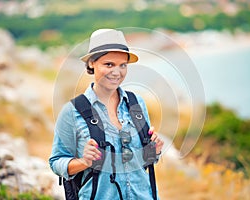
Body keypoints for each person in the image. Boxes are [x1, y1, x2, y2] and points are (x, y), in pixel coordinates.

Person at [49, 28, 164, 200]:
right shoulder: (72, 111)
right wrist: (84, 162)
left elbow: (145, 162)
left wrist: (153, 151)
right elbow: (57, 162)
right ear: (91, 64)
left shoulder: (136, 103)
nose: (117, 72)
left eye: (122, 65)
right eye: (109, 64)